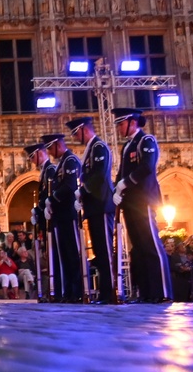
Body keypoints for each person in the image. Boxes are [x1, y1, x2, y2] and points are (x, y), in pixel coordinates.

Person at [112, 108, 172, 303]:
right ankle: (146, 292)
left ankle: (162, 291)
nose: (119, 128)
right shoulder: (127, 146)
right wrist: (116, 189)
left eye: (121, 124)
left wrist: (125, 183)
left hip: (144, 199)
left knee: (151, 246)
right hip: (130, 202)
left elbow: (147, 167)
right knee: (138, 248)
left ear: (132, 122)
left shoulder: (146, 141)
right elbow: (121, 173)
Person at [66, 116, 115, 304]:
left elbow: (98, 175)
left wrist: (82, 191)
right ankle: (104, 293)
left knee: (104, 250)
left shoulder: (99, 147)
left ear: (84, 129)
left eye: (76, 133)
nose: (76, 137)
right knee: (99, 251)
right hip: (94, 206)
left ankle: (109, 292)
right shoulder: (90, 149)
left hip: (102, 204)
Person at [41, 133, 83, 303]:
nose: (50, 152)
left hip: (69, 213)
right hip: (61, 215)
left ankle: (77, 291)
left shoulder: (70, 160)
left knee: (73, 254)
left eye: (51, 148)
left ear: (58, 145)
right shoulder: (62, 164)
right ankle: (69, 292)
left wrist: (52, 198)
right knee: (65, 255)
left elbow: (69, 185)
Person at [27, 142, 58, 301]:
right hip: (45, 218)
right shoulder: (45, 171)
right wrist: (38, 210)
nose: (32, 161)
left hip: (53, 218)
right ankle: (50, 292)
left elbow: (52, 193)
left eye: (33, 157)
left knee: (54, 256)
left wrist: (47, 207)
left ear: (41, 153)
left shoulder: (51, 169)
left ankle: (56, 291)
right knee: (48, 256)